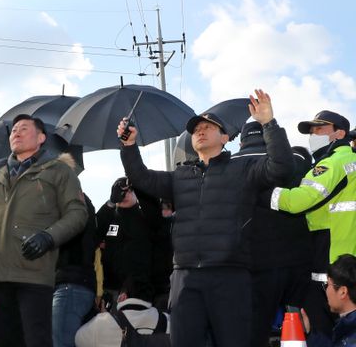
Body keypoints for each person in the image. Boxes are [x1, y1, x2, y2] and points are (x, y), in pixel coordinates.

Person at [117, 89, 295, 346]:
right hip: (185, 278)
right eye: (196, 129)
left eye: (208, 127)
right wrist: (129, 145)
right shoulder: (180, 176)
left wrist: (269, 123)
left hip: (230, 276)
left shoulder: (242, 169)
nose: (200, 131)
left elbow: (282, 168)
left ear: (225, 137)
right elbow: (141, 177)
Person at [0, 114, 88, 347]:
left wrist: (49, 237)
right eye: (14, 130)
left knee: (36, 341)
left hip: (33, 271)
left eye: (24, 128)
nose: (16, 132)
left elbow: (77, 214)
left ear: (41, 137)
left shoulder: (58, 170)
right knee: (6, 341)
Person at [270, 110, 356, 341]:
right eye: (311, 131)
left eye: (320, 129)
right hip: (345, 260)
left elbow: (299, 201)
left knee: (326, 333)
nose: (313, 135)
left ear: (340, 133)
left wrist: (267, 193)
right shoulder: (349, 162)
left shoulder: (335, 162)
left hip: (333, 262)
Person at [238, 121, 313, 347]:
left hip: (256, 264)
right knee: (298, 327)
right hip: (299, 261)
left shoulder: (232, 165)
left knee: (255, 330)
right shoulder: (294, 159)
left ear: (242, 142)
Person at [52, 192, 97, 347]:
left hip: (71, 285)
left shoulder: (75, 206)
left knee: (60, 342)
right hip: (74, 284)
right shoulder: (81, 204)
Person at [74, 276, 169, 347]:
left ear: (122, 297)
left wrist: (103, 317)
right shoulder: (168, 320)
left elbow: (78, 339)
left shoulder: (103, 321)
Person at [304, 254, 356, 347]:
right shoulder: (348, 328)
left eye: (327, 285)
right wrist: (309, 332)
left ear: (343, 292)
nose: (326, 290)